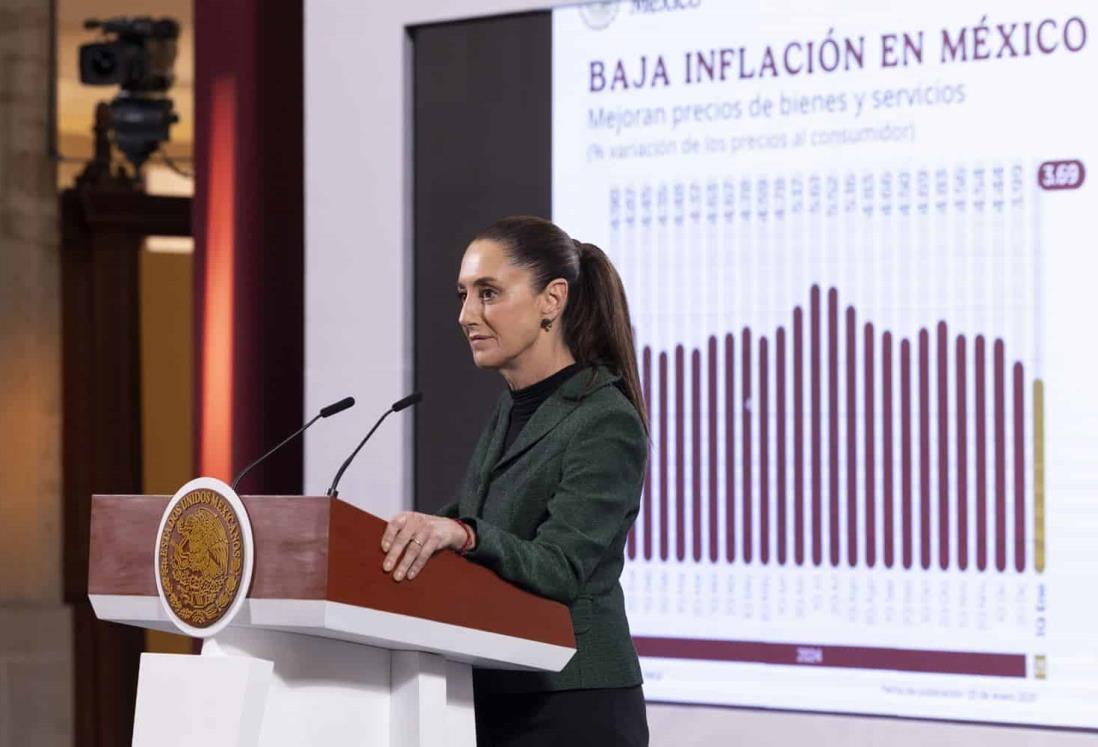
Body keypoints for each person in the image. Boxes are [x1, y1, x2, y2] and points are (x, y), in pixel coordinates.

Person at [379, 215, 649, 746]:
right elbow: (468, 522)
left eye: (488, 293)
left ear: (552, 300)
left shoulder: (604, 418)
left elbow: (562, 567)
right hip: (500, 691)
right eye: (463, 295)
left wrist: (465, 534)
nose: (466, 315)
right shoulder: (513, 408)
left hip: (572, 702)